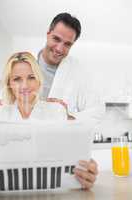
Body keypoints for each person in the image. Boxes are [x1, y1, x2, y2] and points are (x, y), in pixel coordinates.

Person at [0, 51, 98, 189]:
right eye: (17, 79)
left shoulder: (56, 111)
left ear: (39, 80)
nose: (25, 85)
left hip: (52, 189)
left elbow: (73, 154)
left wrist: (85, 170)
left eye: (31, 77)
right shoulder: (1, 115)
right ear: (9, 83)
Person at [37, 13, 99, 189]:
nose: (59, 48)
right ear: (48, 33)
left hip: (62, 155)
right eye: (56, 39)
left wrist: (67, 117)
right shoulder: (23, 65)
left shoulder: (78, 71)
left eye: (67, 44)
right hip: (26, 152)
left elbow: (97, 110)